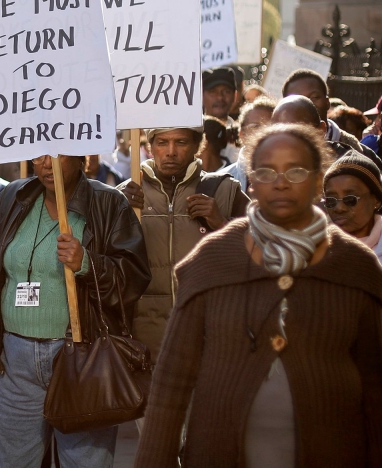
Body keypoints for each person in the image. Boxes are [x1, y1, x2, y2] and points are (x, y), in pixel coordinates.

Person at [135, 123, 382, 467]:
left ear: (317, 178)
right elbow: (171, 384)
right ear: (251, 179)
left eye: (295, 170)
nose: (280, 182)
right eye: (266, 171)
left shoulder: (356, 267)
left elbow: (375, 386)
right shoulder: (212, 259)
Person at [0, 154, 151, 468]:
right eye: (39, 155)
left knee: (85, 462)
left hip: (83, 357)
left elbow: (133, 281)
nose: (45, 163)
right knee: (14, 461)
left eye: (56, 154)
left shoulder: (108, 203)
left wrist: (88, 264)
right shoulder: (14, 197)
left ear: (82, 157)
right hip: (15, 358)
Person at [118, 127, 248, 362]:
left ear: (198, 145)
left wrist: (221, 223)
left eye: (181, 142)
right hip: (143, 343)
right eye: (162, 142)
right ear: (149, 146)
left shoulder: (225, 190)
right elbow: (104, 266)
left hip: (209, 338)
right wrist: (120, 213)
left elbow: (261, 250)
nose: (170, 152)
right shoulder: (126, 195)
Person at [272, 95, 382, 169]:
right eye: (276, 132)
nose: (286, 140)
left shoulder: (349, 166)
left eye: (298, 131)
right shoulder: (264, 164)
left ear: (321, 130)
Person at [282, 69, 367, 151]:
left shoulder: (355, 150)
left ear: (327, 102)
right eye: (298, 99)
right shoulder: (275, 148)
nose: (307, 103)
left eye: (314, 97)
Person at [323, 151, 382, 260]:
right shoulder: (315, 251)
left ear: (376, 200)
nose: (339, 208)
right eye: (331, 200)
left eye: (350, 199)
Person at [218, 96, 276, 192]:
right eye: (256, 127)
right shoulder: (220, 182)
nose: (263, 133)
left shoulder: (287, 180)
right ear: (242, 134)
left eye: (270, 127)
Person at [202, 67, 241, 164]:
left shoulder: (241, 136)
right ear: (201, 95)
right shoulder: (190, 133)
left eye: (226, 91)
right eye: (213, 91)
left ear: (235, 96)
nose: (220, 97)